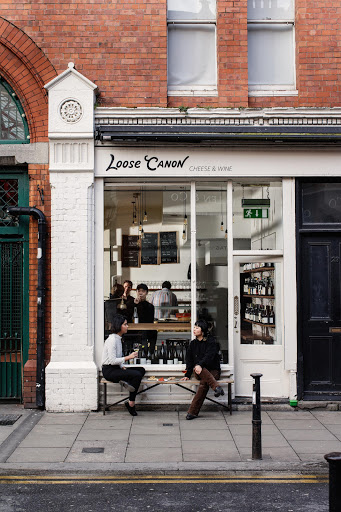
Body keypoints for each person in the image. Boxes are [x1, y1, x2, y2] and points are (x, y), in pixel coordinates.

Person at [102, 314, 145, 416]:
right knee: (136, 375)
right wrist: (128, 357)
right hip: (109, 370)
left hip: (116, 368)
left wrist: (122, 366)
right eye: (125, 324)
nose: (127, 326)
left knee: (141, 370)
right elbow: (112, 360)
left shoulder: (118, 338)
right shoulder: (112, 340)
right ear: (119, 326)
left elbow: (118, 357)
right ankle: (131, 404)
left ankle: (127, 382)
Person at [180, 319, 224, 420]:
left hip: (213, 371)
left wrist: (200, 364)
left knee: (204, 383)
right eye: (194, 327)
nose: (194, 329)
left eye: (197, 327)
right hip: (198, 372)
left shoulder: (211, 341)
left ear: (203, 330)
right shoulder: (193, 344)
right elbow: (189, 361)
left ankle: (192, 412)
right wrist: (187, 374)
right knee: (199, 369)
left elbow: (210, 356)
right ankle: (216, 387)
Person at [134, 283, 157, 352]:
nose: (140, 293)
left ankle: (150, 354)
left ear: (146, 293)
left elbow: (149, 319)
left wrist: (139, 304)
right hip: (135, 331)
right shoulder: (133, 304)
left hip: (147, 331)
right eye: (139, 291)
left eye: (143, 291)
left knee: (153, 333)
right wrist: (135, 305)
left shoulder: (150, 306)